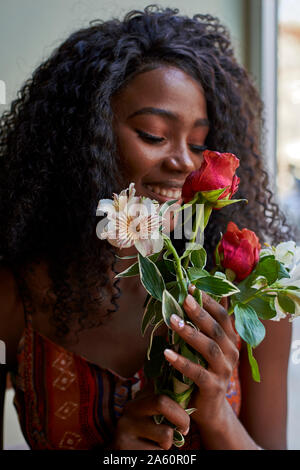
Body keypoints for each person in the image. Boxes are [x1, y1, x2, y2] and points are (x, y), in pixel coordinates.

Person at [0, 5, 293, 450]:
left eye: (199, 143)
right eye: (154, 135)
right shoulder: (15, 295)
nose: (184, 162)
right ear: (86, 140)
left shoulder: (248, 294)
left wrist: (215, 415)